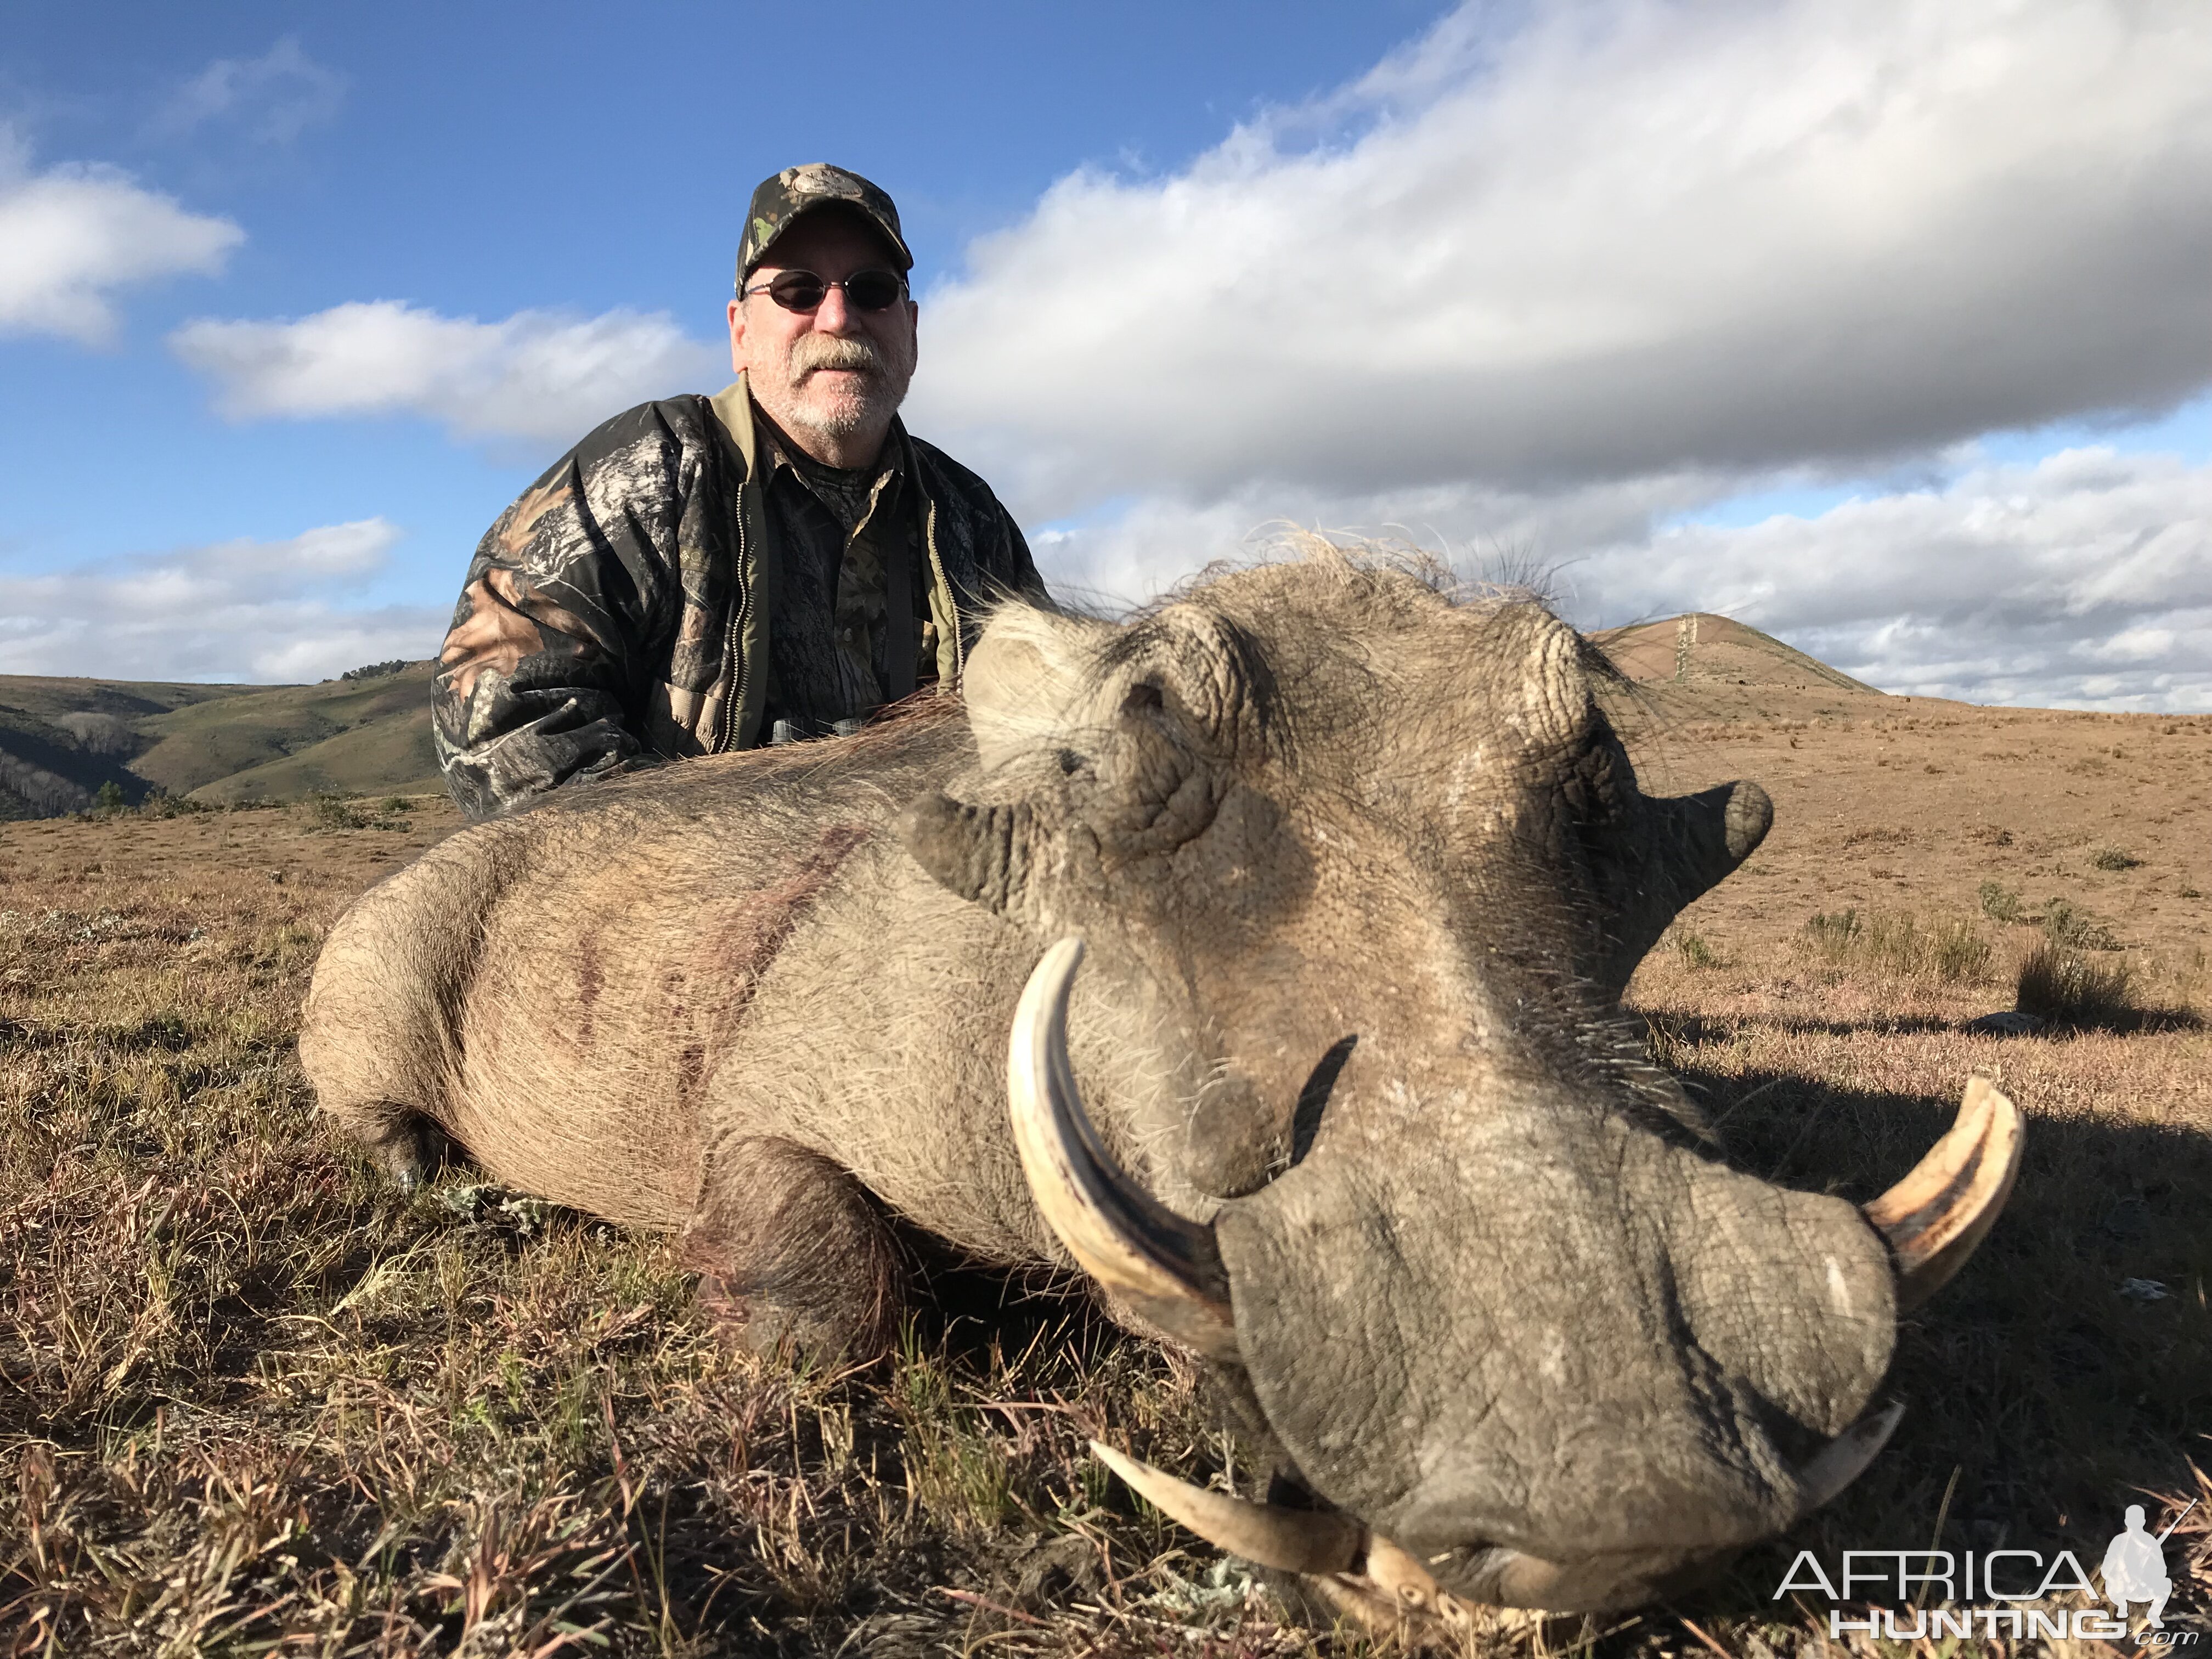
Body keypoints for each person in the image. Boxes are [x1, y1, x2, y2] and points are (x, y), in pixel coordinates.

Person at [433, 163, 1042, 819]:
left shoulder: (971, 519)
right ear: (740, 332)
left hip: (914, 901)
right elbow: (500, 715)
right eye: (797, 291)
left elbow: (1045, 729)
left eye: (872, 290)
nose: (839, 318)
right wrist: (720, 861)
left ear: (912, 329)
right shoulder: (648, 470)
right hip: (684, 905)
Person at [2101, 1504, 2171, 1628]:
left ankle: (2154, 1615)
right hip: (2121, 1589)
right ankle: (2122, 1608)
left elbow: (2162, 1570)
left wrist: (2148, 1569)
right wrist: (2121, 1577)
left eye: (2138, 1521)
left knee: (2166, 1585)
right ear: (2127, 1522)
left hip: (2143, 1589)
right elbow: (2106, 1570)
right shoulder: (2119, 1542)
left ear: (2143, 1522)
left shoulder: (2150, 1542)